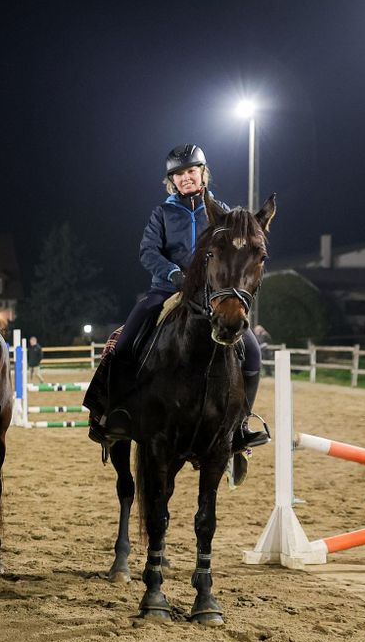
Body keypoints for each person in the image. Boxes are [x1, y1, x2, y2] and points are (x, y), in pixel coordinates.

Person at [90, 145, 267, 450]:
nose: (185, 178)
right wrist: (173, 274)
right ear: (171, 180)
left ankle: (239, 425)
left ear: (203, 173)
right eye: (178, 174)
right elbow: (148, 251)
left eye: (191, 171)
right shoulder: (163, 213)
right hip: (166, 290)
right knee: (123, 344)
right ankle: (114, 412)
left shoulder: (221, 212)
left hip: (211, 295)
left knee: (252, 351)